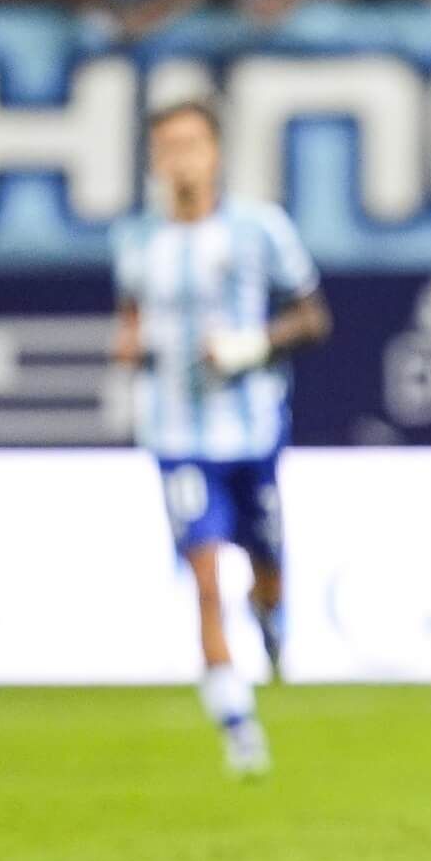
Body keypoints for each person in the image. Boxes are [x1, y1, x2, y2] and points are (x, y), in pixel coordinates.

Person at [112, 99, 332, 776]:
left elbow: (312, 316)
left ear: (216, 154)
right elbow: (130, 319)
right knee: (205, 572)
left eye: (193, 144)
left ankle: (272, 620)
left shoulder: (259, 229)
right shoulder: (138, 241)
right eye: (168, 146)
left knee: (266, 564)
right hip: (176, 432)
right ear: (155, 160)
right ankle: (237, 720)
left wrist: (253, 344)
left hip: (252, 429)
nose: (181, 158)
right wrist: (128, 348)